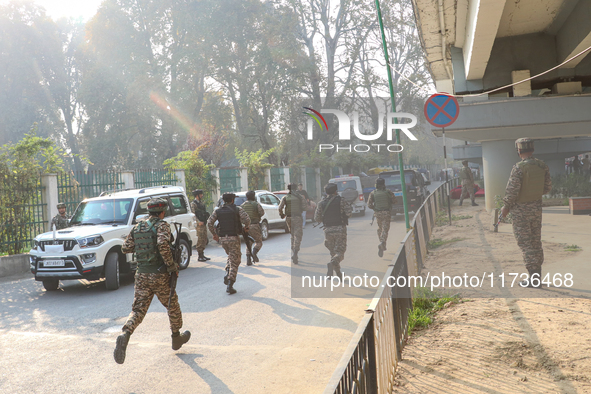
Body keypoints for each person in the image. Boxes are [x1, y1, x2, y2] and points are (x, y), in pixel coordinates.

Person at [114, 198, 190, 364]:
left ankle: (125, 334)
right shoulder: (162, 225)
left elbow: (125, 247)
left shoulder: (138, 226)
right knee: (172, 304)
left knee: (138, 310)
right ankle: (176, 337)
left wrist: (143, 245)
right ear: (162, 212)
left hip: (141, 275)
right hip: (159, 275)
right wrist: (171, 265)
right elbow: (163, 244)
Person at [501, 138, 551, 288]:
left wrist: (506, 207)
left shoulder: (518, 168)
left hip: (520, 211)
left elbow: (512, 191)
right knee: (536, 242)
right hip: (536, 209)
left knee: (526, 244)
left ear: (519, 151)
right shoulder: (542, 166)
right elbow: (547, 188)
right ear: (532, 149)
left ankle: (533, 280)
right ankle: (537, 278)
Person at [207, 193, 250, 294]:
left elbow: (209, 222)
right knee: (236, 260)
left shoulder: (217, 211)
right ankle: (230, 284)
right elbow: (247, 219)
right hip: (234, 238)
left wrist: (214, 234)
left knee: (231, 256)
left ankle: (227, 271)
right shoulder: (237, 209)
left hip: (223, 239)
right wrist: (246, 227)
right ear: (232, 200)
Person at [314, 183, 353, 278]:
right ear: (336, 191)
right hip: (340, 229)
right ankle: (333, 266)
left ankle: (339, 274)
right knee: (340, 253)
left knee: (333, 253)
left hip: (327, 230)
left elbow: (317, 218)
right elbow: (349, 213)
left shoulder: (321, 203)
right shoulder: (342, 201)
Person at [367, 178, 396, 257]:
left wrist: (375, 208)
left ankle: (382, 243)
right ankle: (382, 242)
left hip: (378, 213)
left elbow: (369, 205)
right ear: (384, 184)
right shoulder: (388, 192)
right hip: (386, 212)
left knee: (380, 228)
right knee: (385, 229)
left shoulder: (373, 193)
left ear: (376, 185)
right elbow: (394, 201)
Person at [278, 183, 306, 264]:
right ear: (296, 188)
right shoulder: (300, 196)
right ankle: (295, 253)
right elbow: (305, 208)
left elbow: (280, 208)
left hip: (289, 218)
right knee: (298, 236)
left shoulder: (285, 197)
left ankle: (293, 251)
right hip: (297, 217)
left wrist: (282, 215)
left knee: (292, 235)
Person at [240, 191, 265, 266]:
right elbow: (262, 213)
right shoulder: (256, 204)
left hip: (245, 226)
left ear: (246, 197)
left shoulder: (242, 205)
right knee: (259, 241)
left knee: (249, 243)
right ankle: (254, 253)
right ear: (254, 196)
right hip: (254, 225)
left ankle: (248, 260)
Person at [190, 189, 211, 262]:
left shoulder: (201, 203)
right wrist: (198, 221)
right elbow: (193, 214)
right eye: (200, 194)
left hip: (203, 223)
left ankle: (202, 254)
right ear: (197, 195)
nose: (202, 195)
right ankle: (200, 255)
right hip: (199, 224)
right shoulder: (193, 203)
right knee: (200, 239)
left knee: (204, 238)